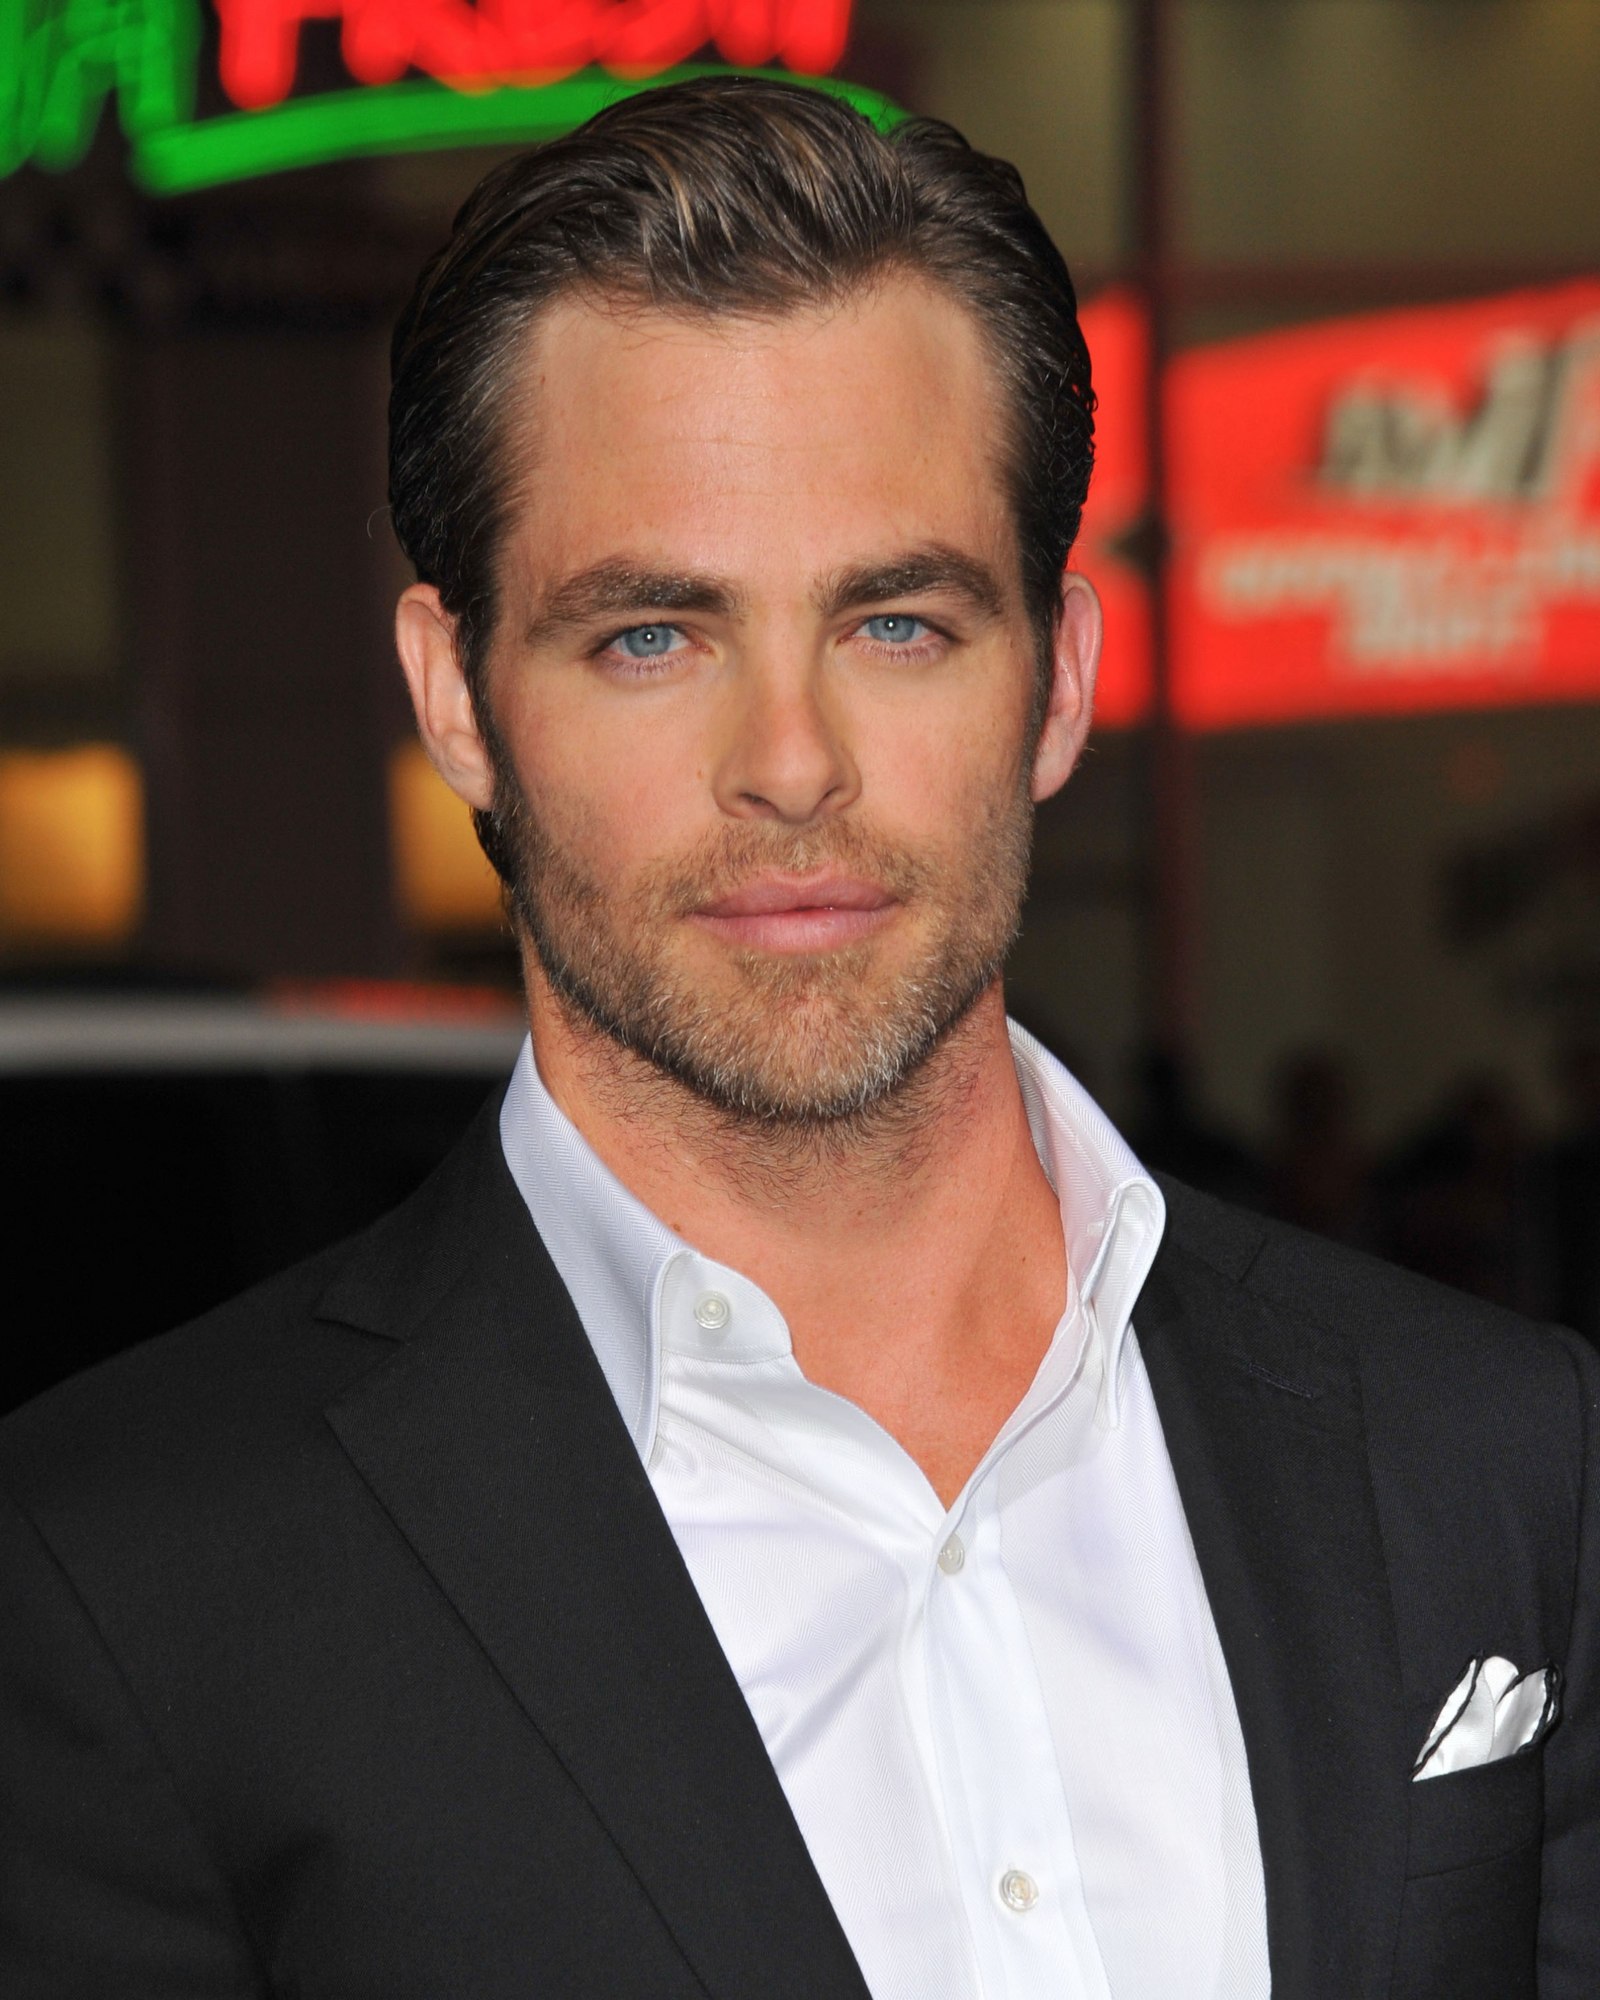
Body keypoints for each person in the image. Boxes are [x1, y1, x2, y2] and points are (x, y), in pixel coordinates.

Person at [1, 77, 1596, 2000]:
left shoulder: (1488, 1451)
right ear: (459, 700)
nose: (789, 763)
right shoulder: (122, 1585)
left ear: (1059, 681)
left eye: (896, 624)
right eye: (650, 637)